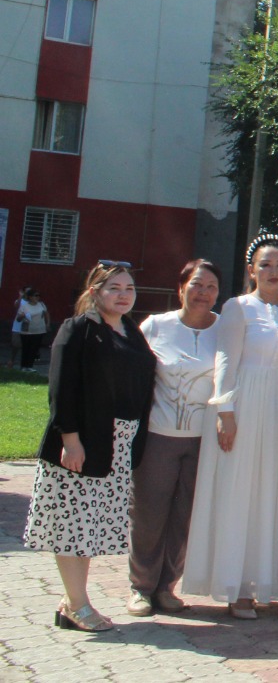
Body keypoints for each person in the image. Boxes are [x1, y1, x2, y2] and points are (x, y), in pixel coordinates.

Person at [25, 262, 155, 632]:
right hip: (83, 441)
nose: (123, 294)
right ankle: (78, 605)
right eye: (114, 287)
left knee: (88, 528)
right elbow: (60, 388)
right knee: (71, 524)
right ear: (95, 291)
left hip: (118, 441)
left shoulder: (131, 332)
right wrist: (70, 440)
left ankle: (73, 601)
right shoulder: (78, 329)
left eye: (129, 288)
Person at [184, 235, 278, 619]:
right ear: (251, 268)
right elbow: (225, 360)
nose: (273, 272)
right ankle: (235, 586)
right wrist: (226, 411)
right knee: (241, 492)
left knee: (271, 493)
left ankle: (263, 581)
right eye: (265, 264)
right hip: (246, 405)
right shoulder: (238, 308)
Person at [127, 258, 221, 616]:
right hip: (158, 435)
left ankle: (167, 586)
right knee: (149, 513)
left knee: (186, 514)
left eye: (211, 286)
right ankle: (140, 587)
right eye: (196, 284)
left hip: (204, 439)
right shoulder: (156, 326)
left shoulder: (226, 329)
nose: (203, 293)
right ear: (181, 288)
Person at [12, 286, 49, 370]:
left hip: (39, 330)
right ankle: (23, 366)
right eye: (35, 295)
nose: (37, 297)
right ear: (30, 297)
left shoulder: (41, 304)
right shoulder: (25, 306)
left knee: (34, 349)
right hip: (27, 331)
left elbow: (46, 314)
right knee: (26, 349)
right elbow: (18, 319)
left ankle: (30, 366)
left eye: (38, 296)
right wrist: (22, 316)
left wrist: (48, 324)